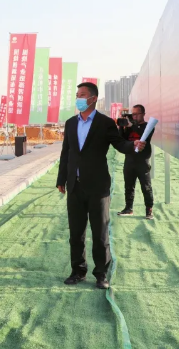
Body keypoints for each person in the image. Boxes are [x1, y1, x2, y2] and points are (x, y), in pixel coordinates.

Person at [56, 82, 145, 290]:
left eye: (82, 95)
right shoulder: (70, 123)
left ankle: (101, 274)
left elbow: (119, 144)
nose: (78, 98)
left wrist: (133, 145)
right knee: (76, 233)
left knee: (100, 232)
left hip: (98, 187)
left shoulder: (105, 123)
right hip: (75, 186)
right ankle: (78, 271)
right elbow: (66, 153)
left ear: (93, 98)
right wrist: (62, 179)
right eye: (77, 95)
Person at [117, 105, 155, 220]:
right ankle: (128, 208)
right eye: (132, 114)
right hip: (129, 159)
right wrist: (121, 127)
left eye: (136, 114)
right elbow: (121, 139)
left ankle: (149, 210)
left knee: (146, 186)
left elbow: (144, 135)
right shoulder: (129, 127)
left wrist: (131, 125)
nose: (134, 116)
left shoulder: (148, 126)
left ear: (143, 114)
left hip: (142, 161)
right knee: (128, 185)